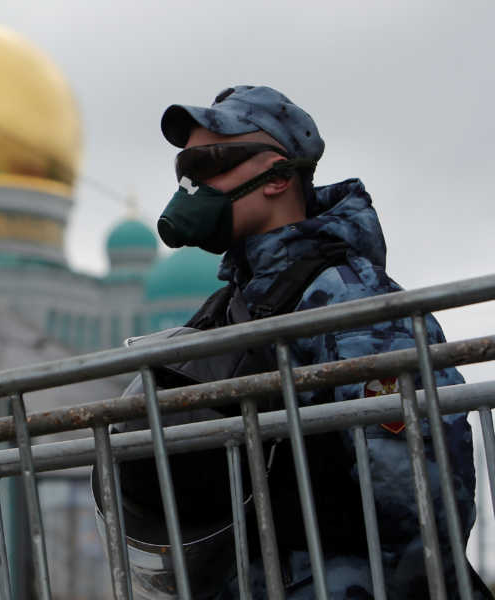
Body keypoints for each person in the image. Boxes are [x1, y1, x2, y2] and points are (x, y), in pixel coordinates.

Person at [143, 85, 485, 598]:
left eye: (212, 162)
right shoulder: (224, 311)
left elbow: (416, 492)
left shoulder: (348, 297)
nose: (195, 185)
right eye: (186, 170)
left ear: (279, 176)